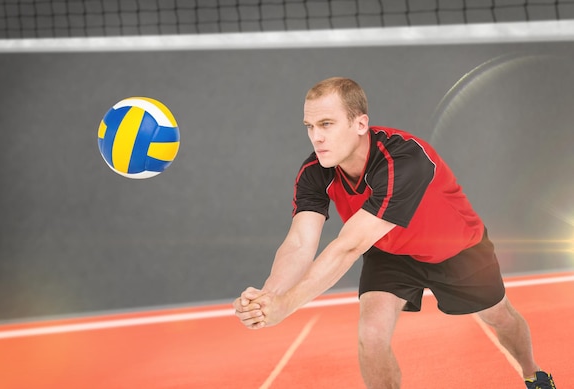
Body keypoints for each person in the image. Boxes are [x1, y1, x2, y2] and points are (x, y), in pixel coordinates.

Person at [232, 77, 557, 389]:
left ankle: (533, 375)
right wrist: (268, 296)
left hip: (456, 249)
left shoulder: (404, 159)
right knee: (371, 335)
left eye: (326, 124)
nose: (316, 137)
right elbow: (300, 242)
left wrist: (286, 306)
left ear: (360, 124)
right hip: (390, 253)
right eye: (310, 127)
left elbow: (347, 247)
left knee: (500, 317)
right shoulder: (315, 171)